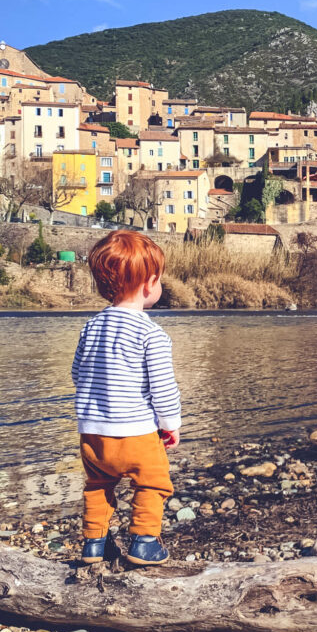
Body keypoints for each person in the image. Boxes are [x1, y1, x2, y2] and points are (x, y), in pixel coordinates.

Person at [71, 230, 181, 566]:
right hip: (134, 431)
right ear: (150, 284)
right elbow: (163, 388)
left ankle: (94, 544)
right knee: (152, 482)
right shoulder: (151, 334)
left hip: (92, 433)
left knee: (98, 485)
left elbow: (77, 374)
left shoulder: (90, 327)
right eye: (159, 279)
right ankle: (144, 541)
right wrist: (171, 424)